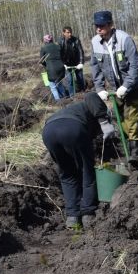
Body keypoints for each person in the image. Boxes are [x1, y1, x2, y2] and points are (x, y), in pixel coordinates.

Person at [42, 93, 116, 229]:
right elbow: (91, 95)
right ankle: (88, 212)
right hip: (73, 129)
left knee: (67, 174)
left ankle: (72, 217)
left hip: (48, 132)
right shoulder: (94, 107)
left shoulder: (73, 110)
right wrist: (105, 122)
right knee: (87, 170)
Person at [89, 10, 138, 171]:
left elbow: (135, 66)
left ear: (110, 25)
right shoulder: (95, 42)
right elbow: (95, 67)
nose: (98, 29)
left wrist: (126, 85)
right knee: (121, 120)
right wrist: (100, 87)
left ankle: (136, 157)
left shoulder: (124, 39)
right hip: (116, 88)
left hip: (134, 84)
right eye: (96, 26)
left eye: (102, 26)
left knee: (134, 118)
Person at [40, 34, 69, 102]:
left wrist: (46, 65)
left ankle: (58, 100)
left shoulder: (43, 48)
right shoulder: (58, 46)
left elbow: (41, 60)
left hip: (51, 68)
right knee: (59, 83)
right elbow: (63, 56)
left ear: (45, 40)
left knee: (53, 86)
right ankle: (65, 98)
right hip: (61, 67)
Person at [59, 26, 86, 93]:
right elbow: (59, 54)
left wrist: (81, 62)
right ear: (64, 33)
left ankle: (83, 92)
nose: (70, 34)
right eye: (68, 32)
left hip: (76, 63)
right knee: (70, 80)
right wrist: (63, 64)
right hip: (67, 64)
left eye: (70, 32)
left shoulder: (76, 40)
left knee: (80, 78)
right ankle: (72, 95)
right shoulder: (61, 41)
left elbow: (80, 51)